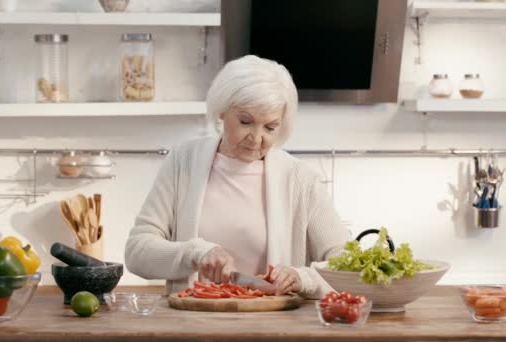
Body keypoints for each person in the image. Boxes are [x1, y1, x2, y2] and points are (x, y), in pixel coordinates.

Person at [125, 55, 350, 298]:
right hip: (192, 325)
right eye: (245, 121)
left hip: (273, 330)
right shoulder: (184, 161)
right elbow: (138, 252)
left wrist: (302, 278)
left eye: (270, 127)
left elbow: (346, 262)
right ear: (222, 110)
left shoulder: (300, 180)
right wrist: (196, 253)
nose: (256, 138)